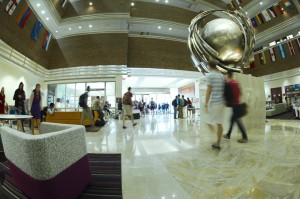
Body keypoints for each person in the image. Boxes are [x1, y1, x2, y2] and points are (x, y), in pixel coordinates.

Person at [204, 60, 225, 150]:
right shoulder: (221, 76)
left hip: (215, 103)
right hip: (222, 103)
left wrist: (206, 103)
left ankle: (216, 139)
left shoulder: (210, 75)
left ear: (209, 66)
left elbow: (209, 90)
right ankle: (218, 142)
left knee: (209, 122)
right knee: (219, 123)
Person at [223, 71, 248, 143]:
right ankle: (228, 134)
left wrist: (227, 102)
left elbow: (227, 93)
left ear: (228, 75)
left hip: (234, 104)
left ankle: (244, 137)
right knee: (232, 120)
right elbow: (240, 93)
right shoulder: (236, 82)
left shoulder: (229, 82)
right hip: (237, 103)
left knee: (237, 121)